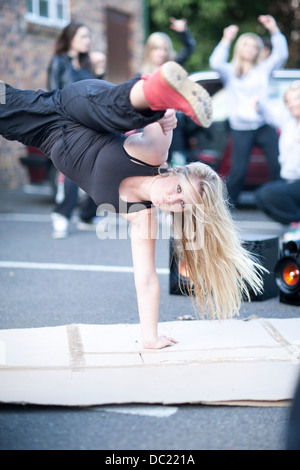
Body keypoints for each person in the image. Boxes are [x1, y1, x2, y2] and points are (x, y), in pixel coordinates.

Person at [0, 61, 264, 349]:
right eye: (178, 189)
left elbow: (147, 278)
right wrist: (166, 113)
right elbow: (158, 124)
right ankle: (155, 91)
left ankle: (154, 97)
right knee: (126, 113)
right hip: (80, 106)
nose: (173, 200)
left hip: (47, 130)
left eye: (182, 204)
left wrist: (150, 338)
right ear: (175, 171)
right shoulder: (154, 153)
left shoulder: (142, 217)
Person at [209, 15, 289, 206]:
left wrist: (274, 30)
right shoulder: (229, 71)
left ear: (258, 50)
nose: (251, 49)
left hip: (262, 125)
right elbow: (215, 62)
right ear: (240, 48)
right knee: (238, 171)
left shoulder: (263, 69)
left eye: (255, 46)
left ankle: (280, 203)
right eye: (247, 45)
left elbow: (282, 55)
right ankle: (227, 208)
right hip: (241, 128)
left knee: (277, 164)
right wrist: (226, 39)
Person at [48, 22, 106, 238]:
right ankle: (61, 215)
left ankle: (87, 215)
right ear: (71, 37)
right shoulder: (59, 62)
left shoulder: (86, 64)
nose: (87, 41)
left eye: (88, 37)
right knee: (70, 171)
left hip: (90, 124)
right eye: (83, 36)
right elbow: (54, 94)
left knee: (98, 168)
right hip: (68, 124)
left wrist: (100, 73)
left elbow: (97, 92)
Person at [142, 18, 196, 167]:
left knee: (177, 165)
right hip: (151, 126)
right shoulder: (142, 74)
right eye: (157, 48)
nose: (161, 53)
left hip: (173, 125)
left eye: (164, 49)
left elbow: (189, 48)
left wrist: (183, 32)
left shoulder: (172, 68)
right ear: (149, 51)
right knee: (154, 166)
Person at [255, 81, 300, 231]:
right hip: (290, 180)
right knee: (262, 196)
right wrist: (259, 104)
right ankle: (295, 222)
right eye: (288, 101)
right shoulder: (288, 122)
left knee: (269, 193)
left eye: (296, 99)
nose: (291, 104)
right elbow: (271, 115)